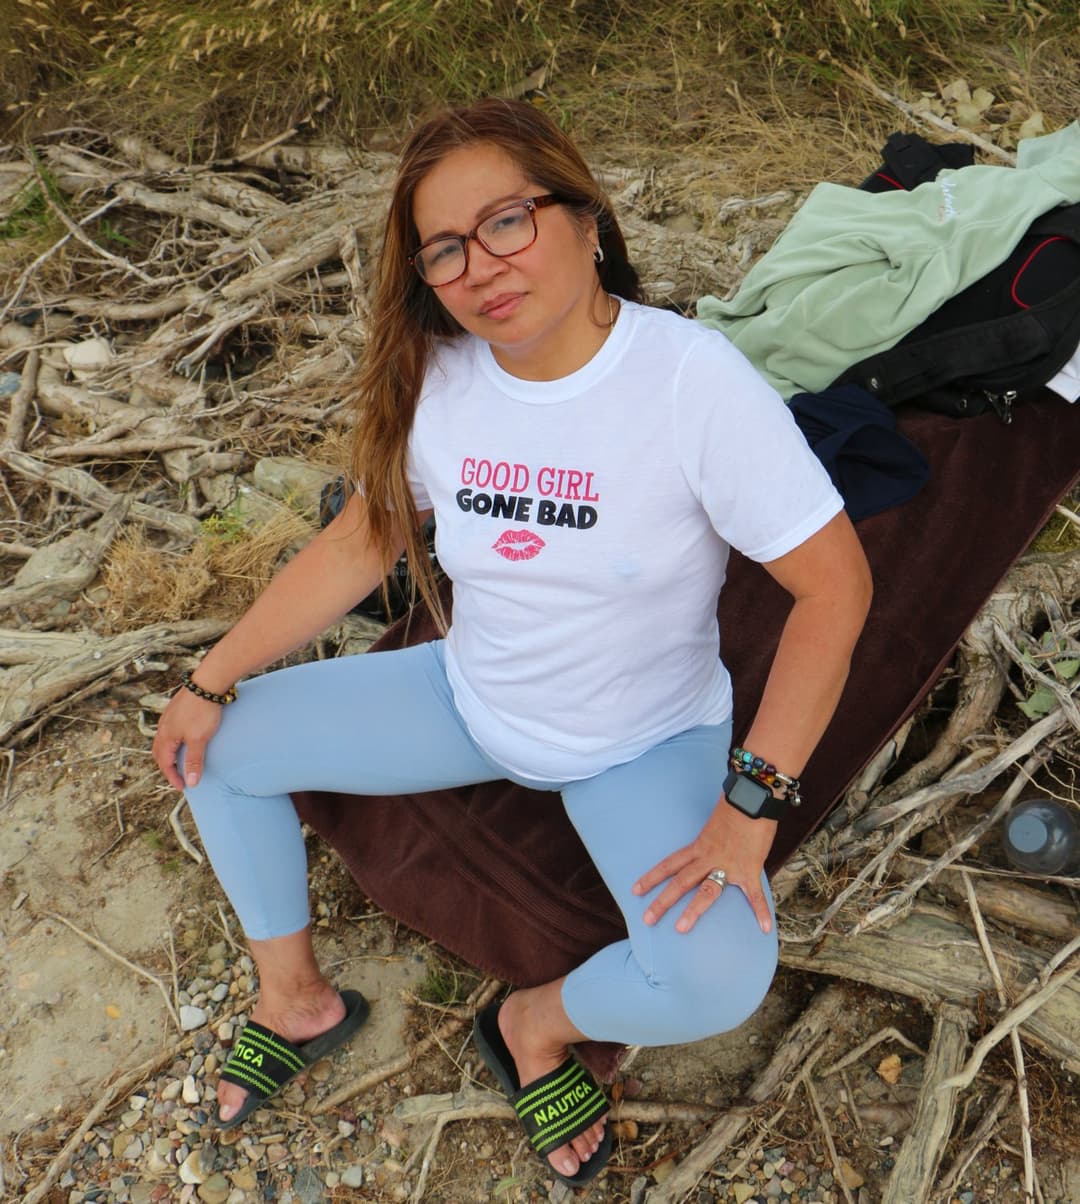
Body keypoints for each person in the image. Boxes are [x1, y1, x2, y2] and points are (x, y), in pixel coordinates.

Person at [152, 97, 872, 1187]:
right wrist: (210, 679)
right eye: (444, 247)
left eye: (506, 221)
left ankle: (533, 1023)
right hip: (471, 699)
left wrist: (750, 803)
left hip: (642, 741)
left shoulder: (690, 381)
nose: (480, 266)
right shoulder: (442, 375)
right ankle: (294, 1000)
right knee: (210, 749)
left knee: (718, 979)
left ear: (586, 217)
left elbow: (836, 589)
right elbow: (363, 540)